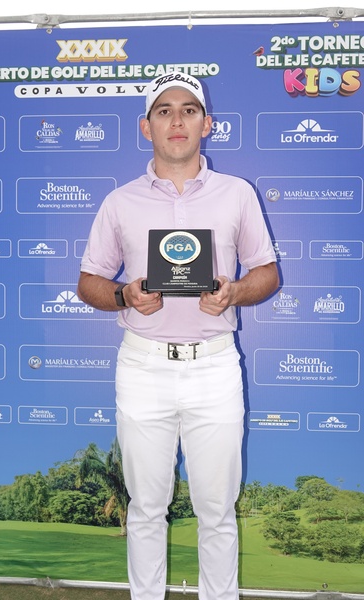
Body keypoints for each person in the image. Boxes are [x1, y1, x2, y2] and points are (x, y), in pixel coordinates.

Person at [77, 72, 279, 600]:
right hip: (143, 368)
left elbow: (267, 273)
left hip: (214, 366)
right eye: (164, 111)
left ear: (206, 124)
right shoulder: (120, 202)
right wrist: (124, 295)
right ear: (146, 127)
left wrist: (234, 293)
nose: (177, 120)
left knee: (217, 511)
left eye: (188, 110)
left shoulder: (237, 194)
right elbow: (88, 281)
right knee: (146, 508)